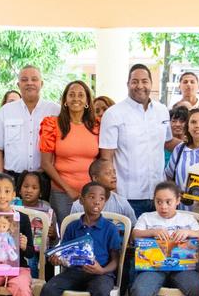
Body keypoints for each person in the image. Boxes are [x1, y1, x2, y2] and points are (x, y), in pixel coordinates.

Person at [40, 182, 122, 296]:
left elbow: (115, 260)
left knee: (102, 293)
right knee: (47, 290)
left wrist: (102, 271)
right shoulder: (72, 227)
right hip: (74, 272)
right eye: (92, 197)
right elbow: (64, 254)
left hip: (100, 274)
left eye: (101, 198)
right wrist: (57, 260)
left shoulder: (110, 228)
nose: (97, 201)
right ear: (82, 200)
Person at [128, 182, 199, 296]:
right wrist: (152, 232)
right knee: (139, 290)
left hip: (183, 269)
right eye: (159, 201)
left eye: (168, 201)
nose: (163, 206)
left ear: (178, 200)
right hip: (153, 269)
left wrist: (187, 232)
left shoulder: (187, 218)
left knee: (197, 287)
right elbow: (135, 235)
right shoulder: (147, 217)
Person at [99, 64, 171, 217]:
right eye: (135, 81)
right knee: (129, 239)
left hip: (159, 195)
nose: (140, 86)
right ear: (128, 84)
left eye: (144, 81)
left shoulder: (162, 111)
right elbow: (106, 158)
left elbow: (168, 142)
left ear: (151, 84)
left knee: (159, 240)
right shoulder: (113, 114)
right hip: (127, 196)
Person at [40, 80, 99, 223]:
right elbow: (46, 163)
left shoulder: (97, 125)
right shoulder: (52, 124)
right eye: (71, 95)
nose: (76, 98)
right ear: (65, 100)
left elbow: (103, 161)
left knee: (90, 234)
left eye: (80, 95)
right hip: (62, 193)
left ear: (87, 100)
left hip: (92, 193)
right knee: (66, 235)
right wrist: (68, 189)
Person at [0, 66, 60, 177]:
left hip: (46, 177)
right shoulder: (5, 111)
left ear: (41, 83)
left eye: (34, 79)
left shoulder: (55, 110)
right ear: (18, 85)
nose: (29, 83)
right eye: (24, 80)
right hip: (13, 178)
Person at [16, 170, 57, 279]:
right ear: (19, 189)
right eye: (25, 186)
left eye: (34, 188)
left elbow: (54, 240)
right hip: (13, 248)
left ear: (41, 192)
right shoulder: (13, 205)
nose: (29, 190)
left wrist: (52, 234)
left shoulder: (47, 209)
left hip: (38, 250)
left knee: (32, 258)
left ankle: (32, 285)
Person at [69, 158, 136, 224]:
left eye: (114, 172)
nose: (114, 176)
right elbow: (71, 231)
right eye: (108, 173)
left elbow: (132, 228)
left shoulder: (122, 203)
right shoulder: (78, 206)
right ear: (95, 178)